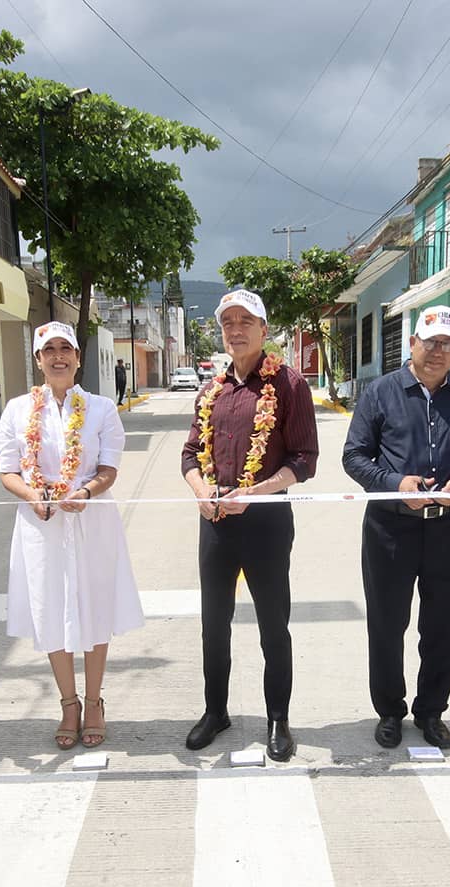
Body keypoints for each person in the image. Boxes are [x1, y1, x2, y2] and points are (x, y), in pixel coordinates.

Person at [342, 305, 450, 749]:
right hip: (389, 527)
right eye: (430, 342)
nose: (437, 352)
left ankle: (431, 712)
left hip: (447, 528)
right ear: (413, 343)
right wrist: (394, 484)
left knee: (441, 625)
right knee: (388, 625)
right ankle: (390, 710)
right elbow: (354, 455)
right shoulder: (380, 392)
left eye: (447, 345)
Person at [180, 289, 319, 762]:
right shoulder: (211, 391)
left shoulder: (290, 385)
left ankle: (278, 719)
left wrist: (254, 494)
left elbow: (305, 461)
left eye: (246, 321)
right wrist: (202, 491)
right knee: (212, 624)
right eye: (228, 322)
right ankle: (215, 711)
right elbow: (189, 453)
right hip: (216, 523)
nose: (236, 330)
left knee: (272, 625)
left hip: (266, 523)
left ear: (264, 329)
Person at [0, 322, 144, 750]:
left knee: (94, 607)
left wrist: (85, 491)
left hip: (92, 520)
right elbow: (8, 471)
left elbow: (109, 468)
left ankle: (95, 701)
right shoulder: (18, 410)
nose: (58, 357)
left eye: (66, 349)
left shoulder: (100, 409)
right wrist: (32, 495)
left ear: (78, 358)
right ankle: (68, 704)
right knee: (50, 609)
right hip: (40, 525)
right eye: (49, 350)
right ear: (38, 360)